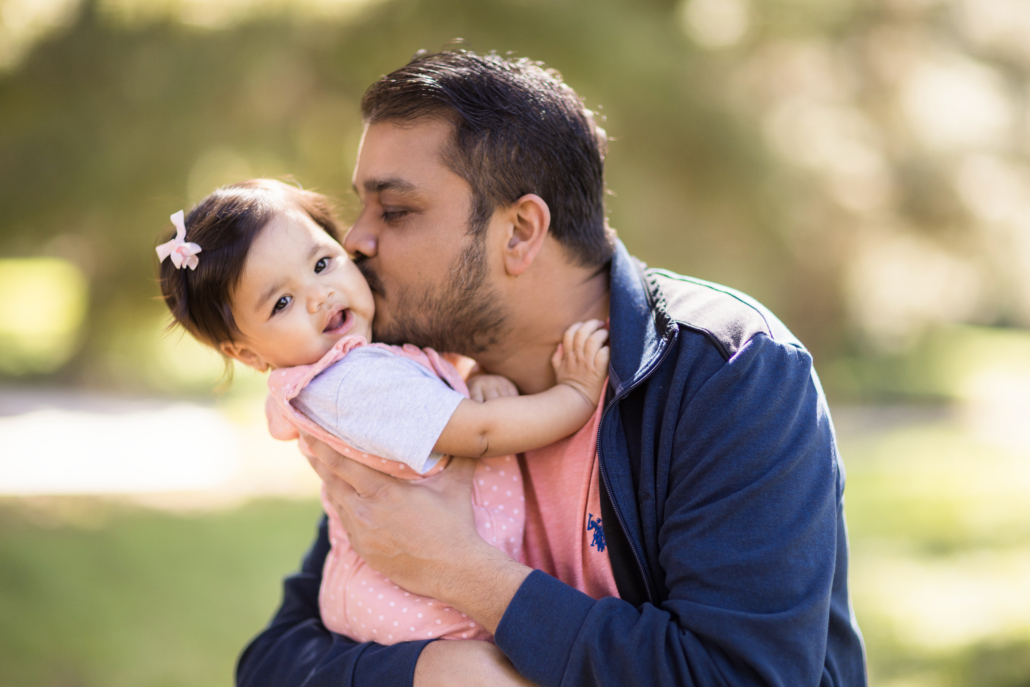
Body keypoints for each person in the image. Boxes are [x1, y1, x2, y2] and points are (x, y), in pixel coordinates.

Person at [236, 50, 868, 687]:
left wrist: (463, 571)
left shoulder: (730, 373)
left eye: (394, 211)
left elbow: (740, 676)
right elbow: (275, 663)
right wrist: (438, 669)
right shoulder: (408, 391)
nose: (354, 242)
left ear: (520, 232)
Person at [154, 178, 611, 646]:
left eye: (321, 263)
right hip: (421, 612)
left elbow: (432, 411)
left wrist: (471, 383)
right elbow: (480, 434)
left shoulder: (357, 366)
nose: (320, 295)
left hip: (428, 595)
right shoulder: (350, 381)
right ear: (248, 355)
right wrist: (574, 394)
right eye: (282, 302)